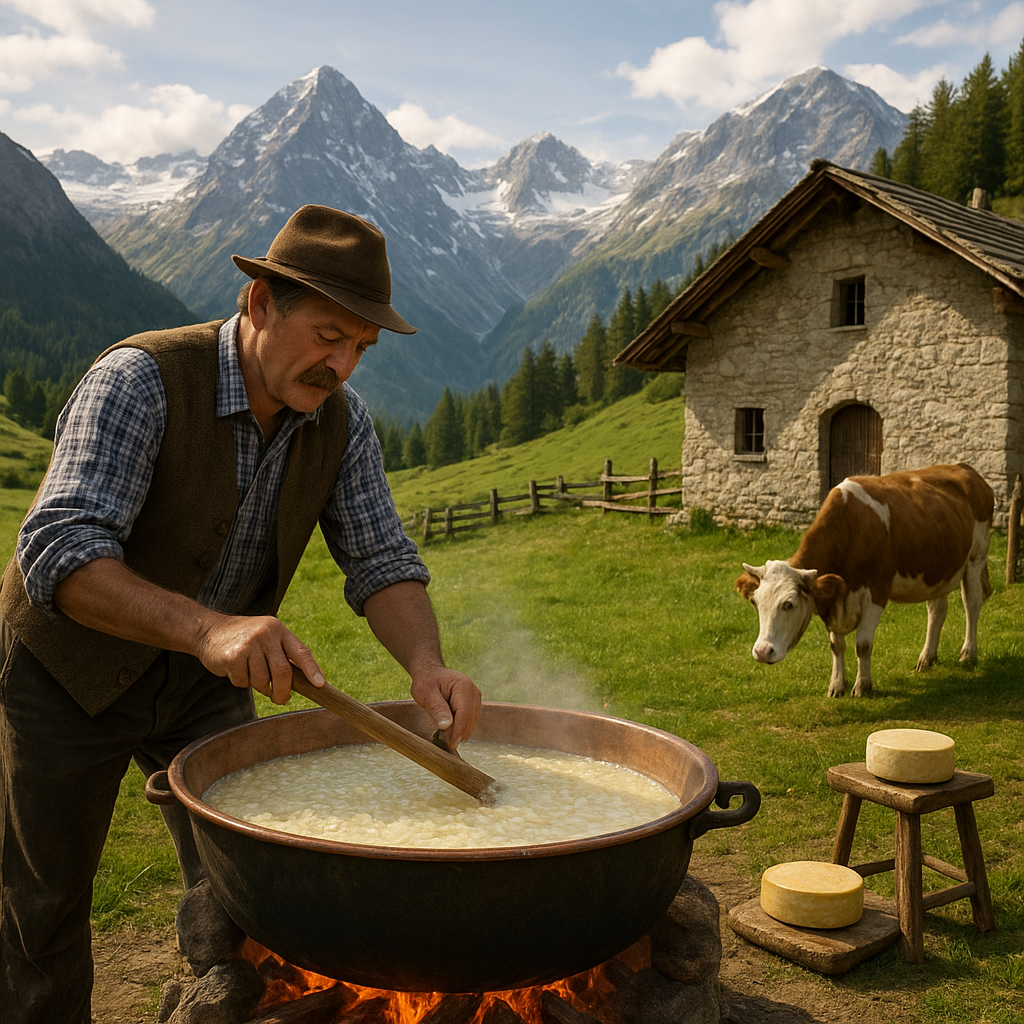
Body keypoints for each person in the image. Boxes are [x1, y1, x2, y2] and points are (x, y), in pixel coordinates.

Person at [0, 204, 482, 1023]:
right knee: (39, 910)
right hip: (63, 672)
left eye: (361, 348)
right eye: (329, 335)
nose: (343, 366)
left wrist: (426, 667)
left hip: (200, 682)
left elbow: (381, 559)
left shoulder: (342, 424)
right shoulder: (139, 378)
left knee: (249, 890)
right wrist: (210, 629)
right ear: (260, 304)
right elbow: (57, 550)